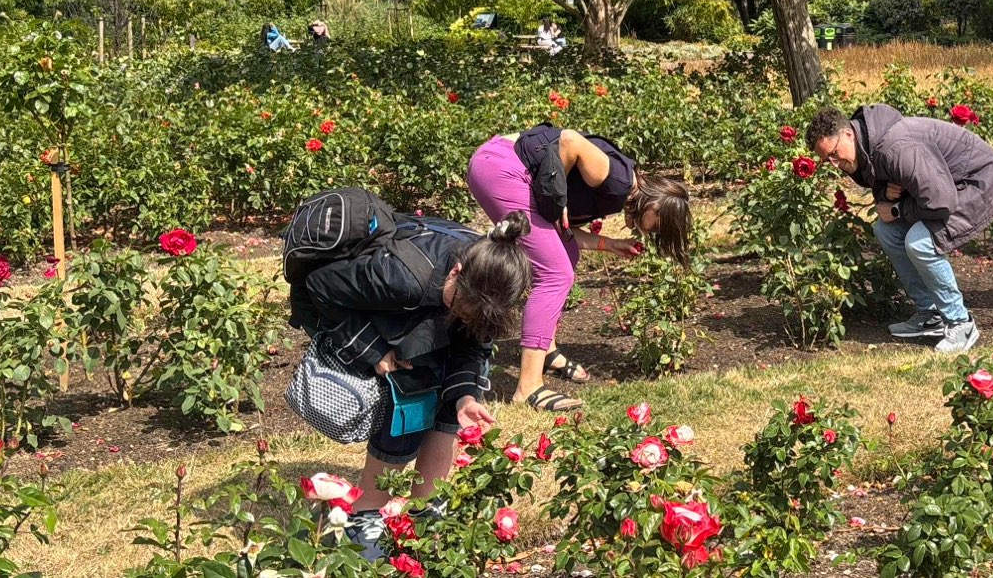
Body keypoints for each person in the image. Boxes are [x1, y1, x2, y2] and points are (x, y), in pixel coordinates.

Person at [287, 213, 534, 560]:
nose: (466, 319)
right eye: (461, 309)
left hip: (424, 331)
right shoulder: (400, 276)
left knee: (448, 413)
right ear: (457, 272)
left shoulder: (488, 280)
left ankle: (425, 517)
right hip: (390, 330)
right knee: (403, 419)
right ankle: (365, 520)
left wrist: (465, 396)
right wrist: (373, 349)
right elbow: (321, 285)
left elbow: (473, 345)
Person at [465, 123, 692, 411]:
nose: (650, 232)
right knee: (556, 273)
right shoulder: (619, 180)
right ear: (655, 208)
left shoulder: (619, 189)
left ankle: (545, 349)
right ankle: (528, 387)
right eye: (657, 227)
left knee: (565, 255)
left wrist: (608, 243)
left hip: (499, 164)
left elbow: (562, 230)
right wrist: (555, 195)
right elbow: (569, 141)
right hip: (501, 167)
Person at [804, 104, 993, 353]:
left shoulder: (896, 148)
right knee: (887, 232)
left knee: (920, 242)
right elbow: (886, 181)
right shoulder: (867, 147)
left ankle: (961, 323)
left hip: (981, 183)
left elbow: (940, 201)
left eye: (833, 154)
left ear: (848, 134)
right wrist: (885, 193)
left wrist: (896, 210)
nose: (833, 163)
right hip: (948, 189)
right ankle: (931, 314)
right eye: (826, 160)